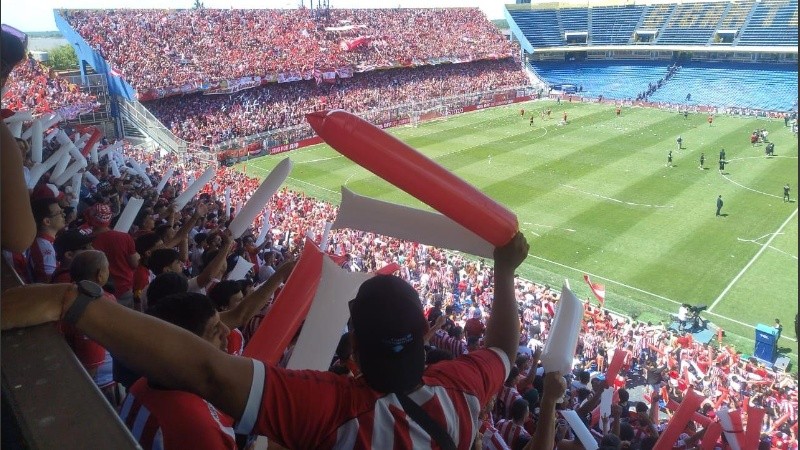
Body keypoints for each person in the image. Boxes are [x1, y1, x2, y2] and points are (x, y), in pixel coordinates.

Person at [3, 233, 546, 450]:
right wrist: (503, 272)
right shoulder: (464, 396)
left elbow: (208, 371)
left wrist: (73, 303)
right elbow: (502, 347)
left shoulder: (328, 408)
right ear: (429, 335)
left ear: (352, 347)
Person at [29, 198, 67, 283]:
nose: (63, 214)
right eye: (59, 213)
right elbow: (49, 282)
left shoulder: (47, 241)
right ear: (47, 221)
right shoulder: (44, 247)